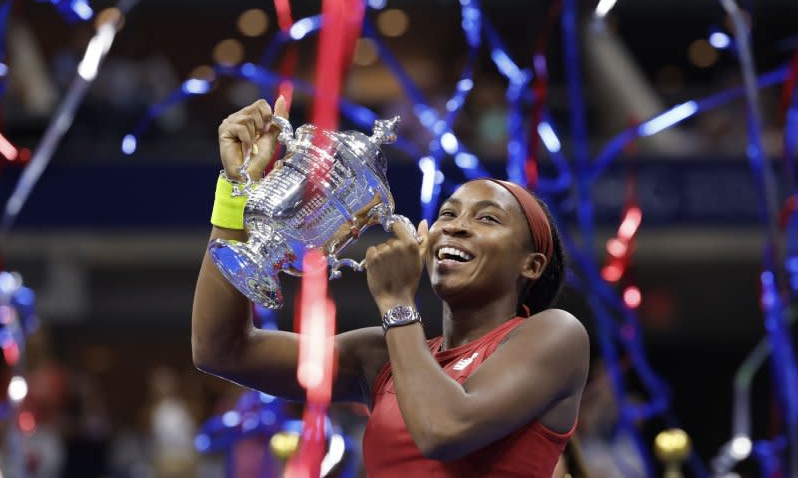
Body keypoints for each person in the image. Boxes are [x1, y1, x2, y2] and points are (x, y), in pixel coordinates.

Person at [192, 97, 590, 477]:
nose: (455, 225)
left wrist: (397, 301)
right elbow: (222, 349)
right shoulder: (381, 356)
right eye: (448, 213)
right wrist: (237, 188)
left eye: (487, 219)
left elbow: (443, 430)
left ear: (531, 264)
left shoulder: (556, 334)